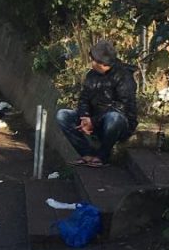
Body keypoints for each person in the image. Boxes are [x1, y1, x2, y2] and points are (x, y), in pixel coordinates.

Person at [55, 39, 138, 167]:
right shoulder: (92, 75)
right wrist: (85, 117)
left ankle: (102, 156)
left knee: (114, 118)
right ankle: (86, 154)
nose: (92, 63)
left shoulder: (124, 76)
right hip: (93, 120)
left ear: (102, 63)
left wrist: (93, 121)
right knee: (62, 115)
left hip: (118, 123)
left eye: (94, 60)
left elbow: (122, 107)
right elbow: (84, 98)